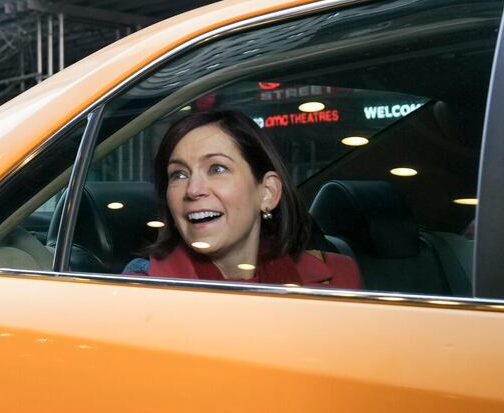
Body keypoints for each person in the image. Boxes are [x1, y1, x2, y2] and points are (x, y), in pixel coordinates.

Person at [123, 110, 361, 288]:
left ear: (267, 192)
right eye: (179, 174)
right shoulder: (141, 287)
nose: (193, 190)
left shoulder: (339, 276)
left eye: (217, 169)